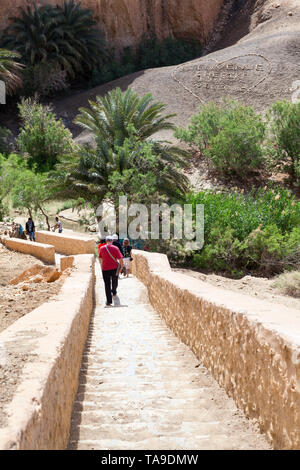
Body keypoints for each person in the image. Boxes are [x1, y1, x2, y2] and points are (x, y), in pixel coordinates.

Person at [99, 235, 123, 307]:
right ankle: (114, 291)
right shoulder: (115, 248)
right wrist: (121, 267)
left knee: (107, 284)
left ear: (106, 241)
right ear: (112, 241)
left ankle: (109, 301)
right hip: (114, 268)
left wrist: (101, 266)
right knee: (115, 281)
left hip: (105, 268)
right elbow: (120, 259)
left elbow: (100, 258)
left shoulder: (102, 248)